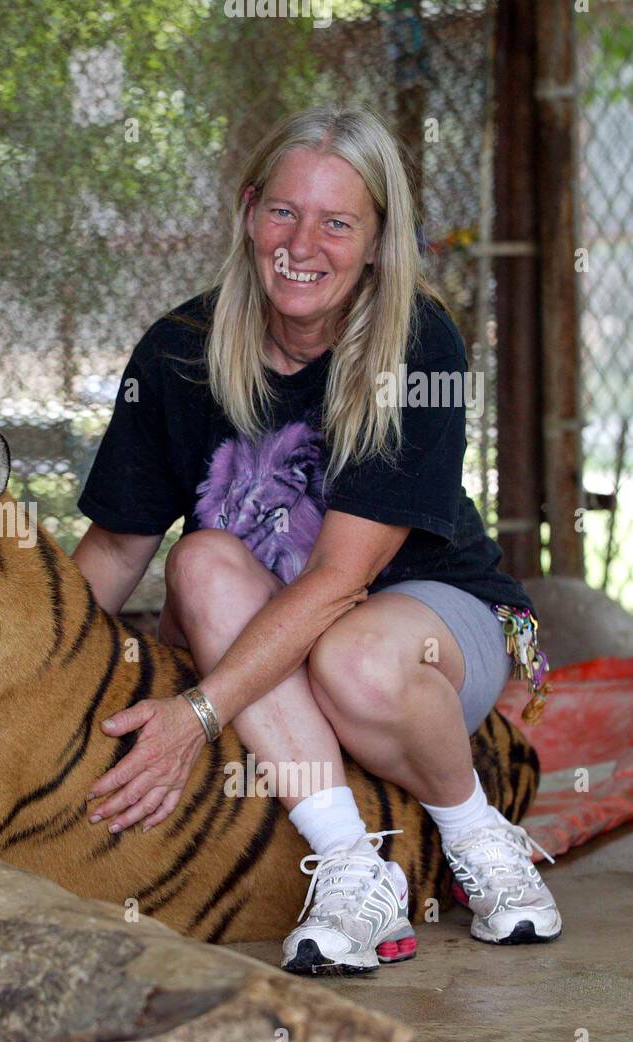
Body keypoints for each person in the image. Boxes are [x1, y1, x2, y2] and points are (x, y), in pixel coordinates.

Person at [72, 106, 558, 976]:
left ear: (376, 240)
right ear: (250, 213)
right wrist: (46, 674)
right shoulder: (178, 351)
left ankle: (481, 834)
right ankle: (350, 868)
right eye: (284, 213)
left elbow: (340, 580)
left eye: (338, 221)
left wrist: (196, 712)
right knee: (200, 560)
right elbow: (114, 551)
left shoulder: (420, 345)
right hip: (276, 645)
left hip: (430, 625)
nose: (304, 242)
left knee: (352, 653)